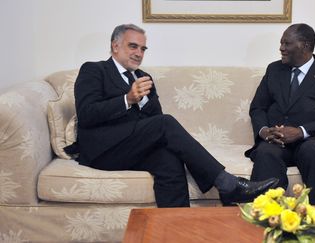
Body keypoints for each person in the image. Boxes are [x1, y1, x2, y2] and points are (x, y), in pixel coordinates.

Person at [67, 24, 278, 207]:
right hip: (102, 150)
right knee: (165, 123)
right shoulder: (94, 70)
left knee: (169, 160)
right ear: (115, 46)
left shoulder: (143, 77)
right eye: (133, 46)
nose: (139, 53)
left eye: (143, 48)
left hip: (131, 148)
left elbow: (153, 122)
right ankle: (227, 183)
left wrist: (141, 101)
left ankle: (175, 231)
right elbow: (87, 114)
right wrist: (127, 99)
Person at [245, 23, 315, 205]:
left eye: (287, 44)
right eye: (281, 43)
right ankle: (263, 215)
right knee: (265, 152)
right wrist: (264, 132)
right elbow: (258, 108)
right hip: (277, 141)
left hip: (314, 140)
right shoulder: (274, 70)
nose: (281, 48)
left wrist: (300, 131)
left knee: (311, 151)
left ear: (305, 45)